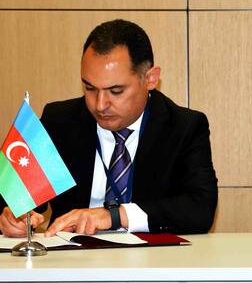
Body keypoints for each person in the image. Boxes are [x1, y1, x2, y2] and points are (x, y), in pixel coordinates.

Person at [0, 19, 218, 237]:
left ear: (150, 79)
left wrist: (114, 215)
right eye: (90, 88)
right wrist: (11, 218)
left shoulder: (184, 127)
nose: (100, 105)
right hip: (72, 255)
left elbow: (200, 209)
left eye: (116, 91)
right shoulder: (59, 122)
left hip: (151, 257)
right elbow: (9, 201)